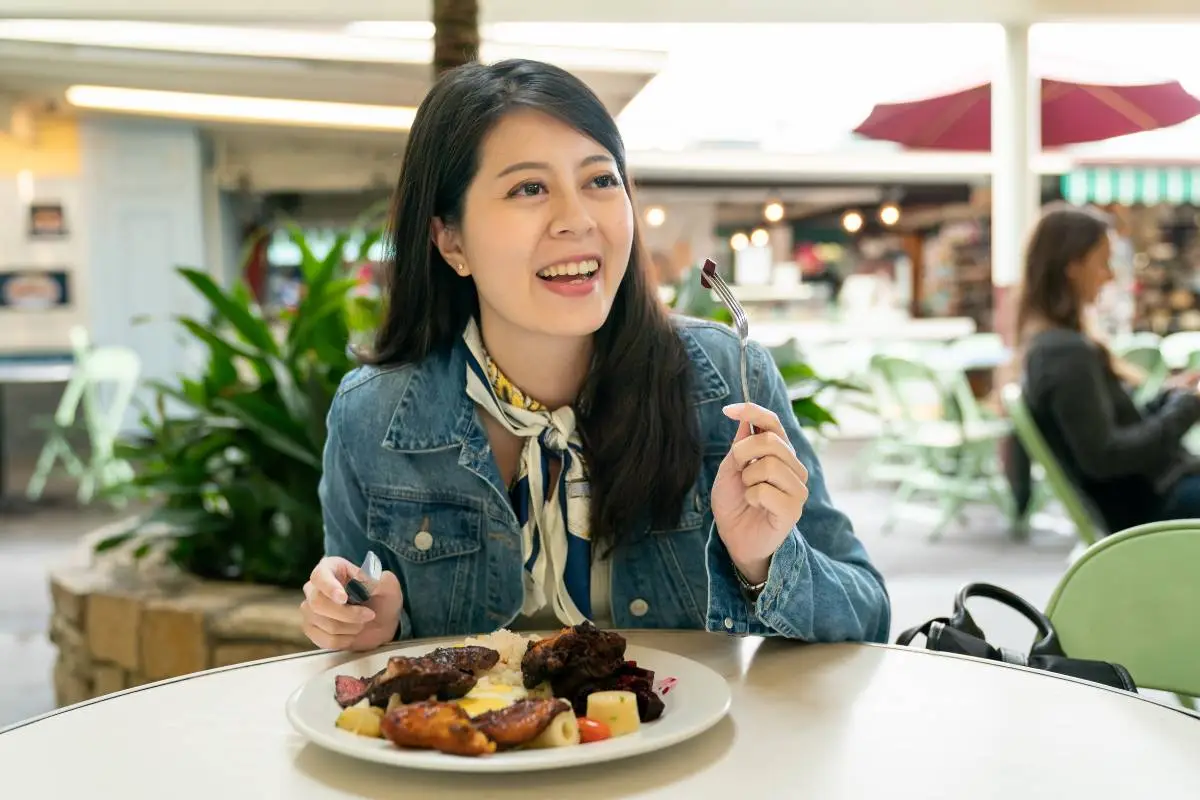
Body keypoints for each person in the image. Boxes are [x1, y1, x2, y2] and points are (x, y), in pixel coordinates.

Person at [299, 59, 890, 651]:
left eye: (600, 181)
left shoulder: (724, 382)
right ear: (451, 240)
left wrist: (762, 561)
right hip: (471, 744)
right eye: (529, 188)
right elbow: (356, 609)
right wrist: (369, 624)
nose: (578, 220)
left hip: (686, 742)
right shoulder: (374, 416)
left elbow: (868, 616)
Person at [1016, 203, 1200, 534]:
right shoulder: (1064, 353)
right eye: (1103, 261)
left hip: (1159, 498)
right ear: (1073, 265)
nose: (1111, 274)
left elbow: (1111, 431)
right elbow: (1107, 456)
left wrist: (1171, 399)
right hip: (1156, 511)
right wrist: (1187, 408)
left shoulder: (1053, 346)